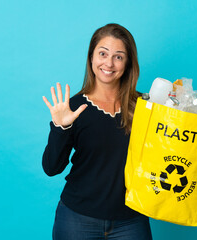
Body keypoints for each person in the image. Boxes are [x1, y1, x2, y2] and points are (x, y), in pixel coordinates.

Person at [42, 23, 153, 240]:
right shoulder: (72, 107)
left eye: (118, 56)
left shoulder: (144, 106)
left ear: (128, 62)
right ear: (91, 57)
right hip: (77, 219)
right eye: (103, 53)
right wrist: (61, 127)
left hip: (131, 219)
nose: (109, 63)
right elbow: (51, 167)